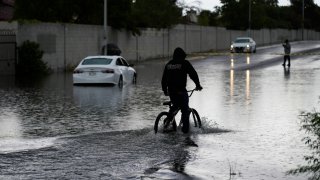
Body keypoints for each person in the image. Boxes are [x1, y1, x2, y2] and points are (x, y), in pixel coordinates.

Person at [161, 47, 203, 134]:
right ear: (182, 56)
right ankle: (185, 132)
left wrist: (165, 91)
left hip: (171, 91)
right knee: (185, 110)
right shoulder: (184, 63)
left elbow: (164, 79)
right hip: (180, 90)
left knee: (175, 106)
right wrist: (198, 85)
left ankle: (167, 121)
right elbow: (193, 74)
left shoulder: (169, 64)